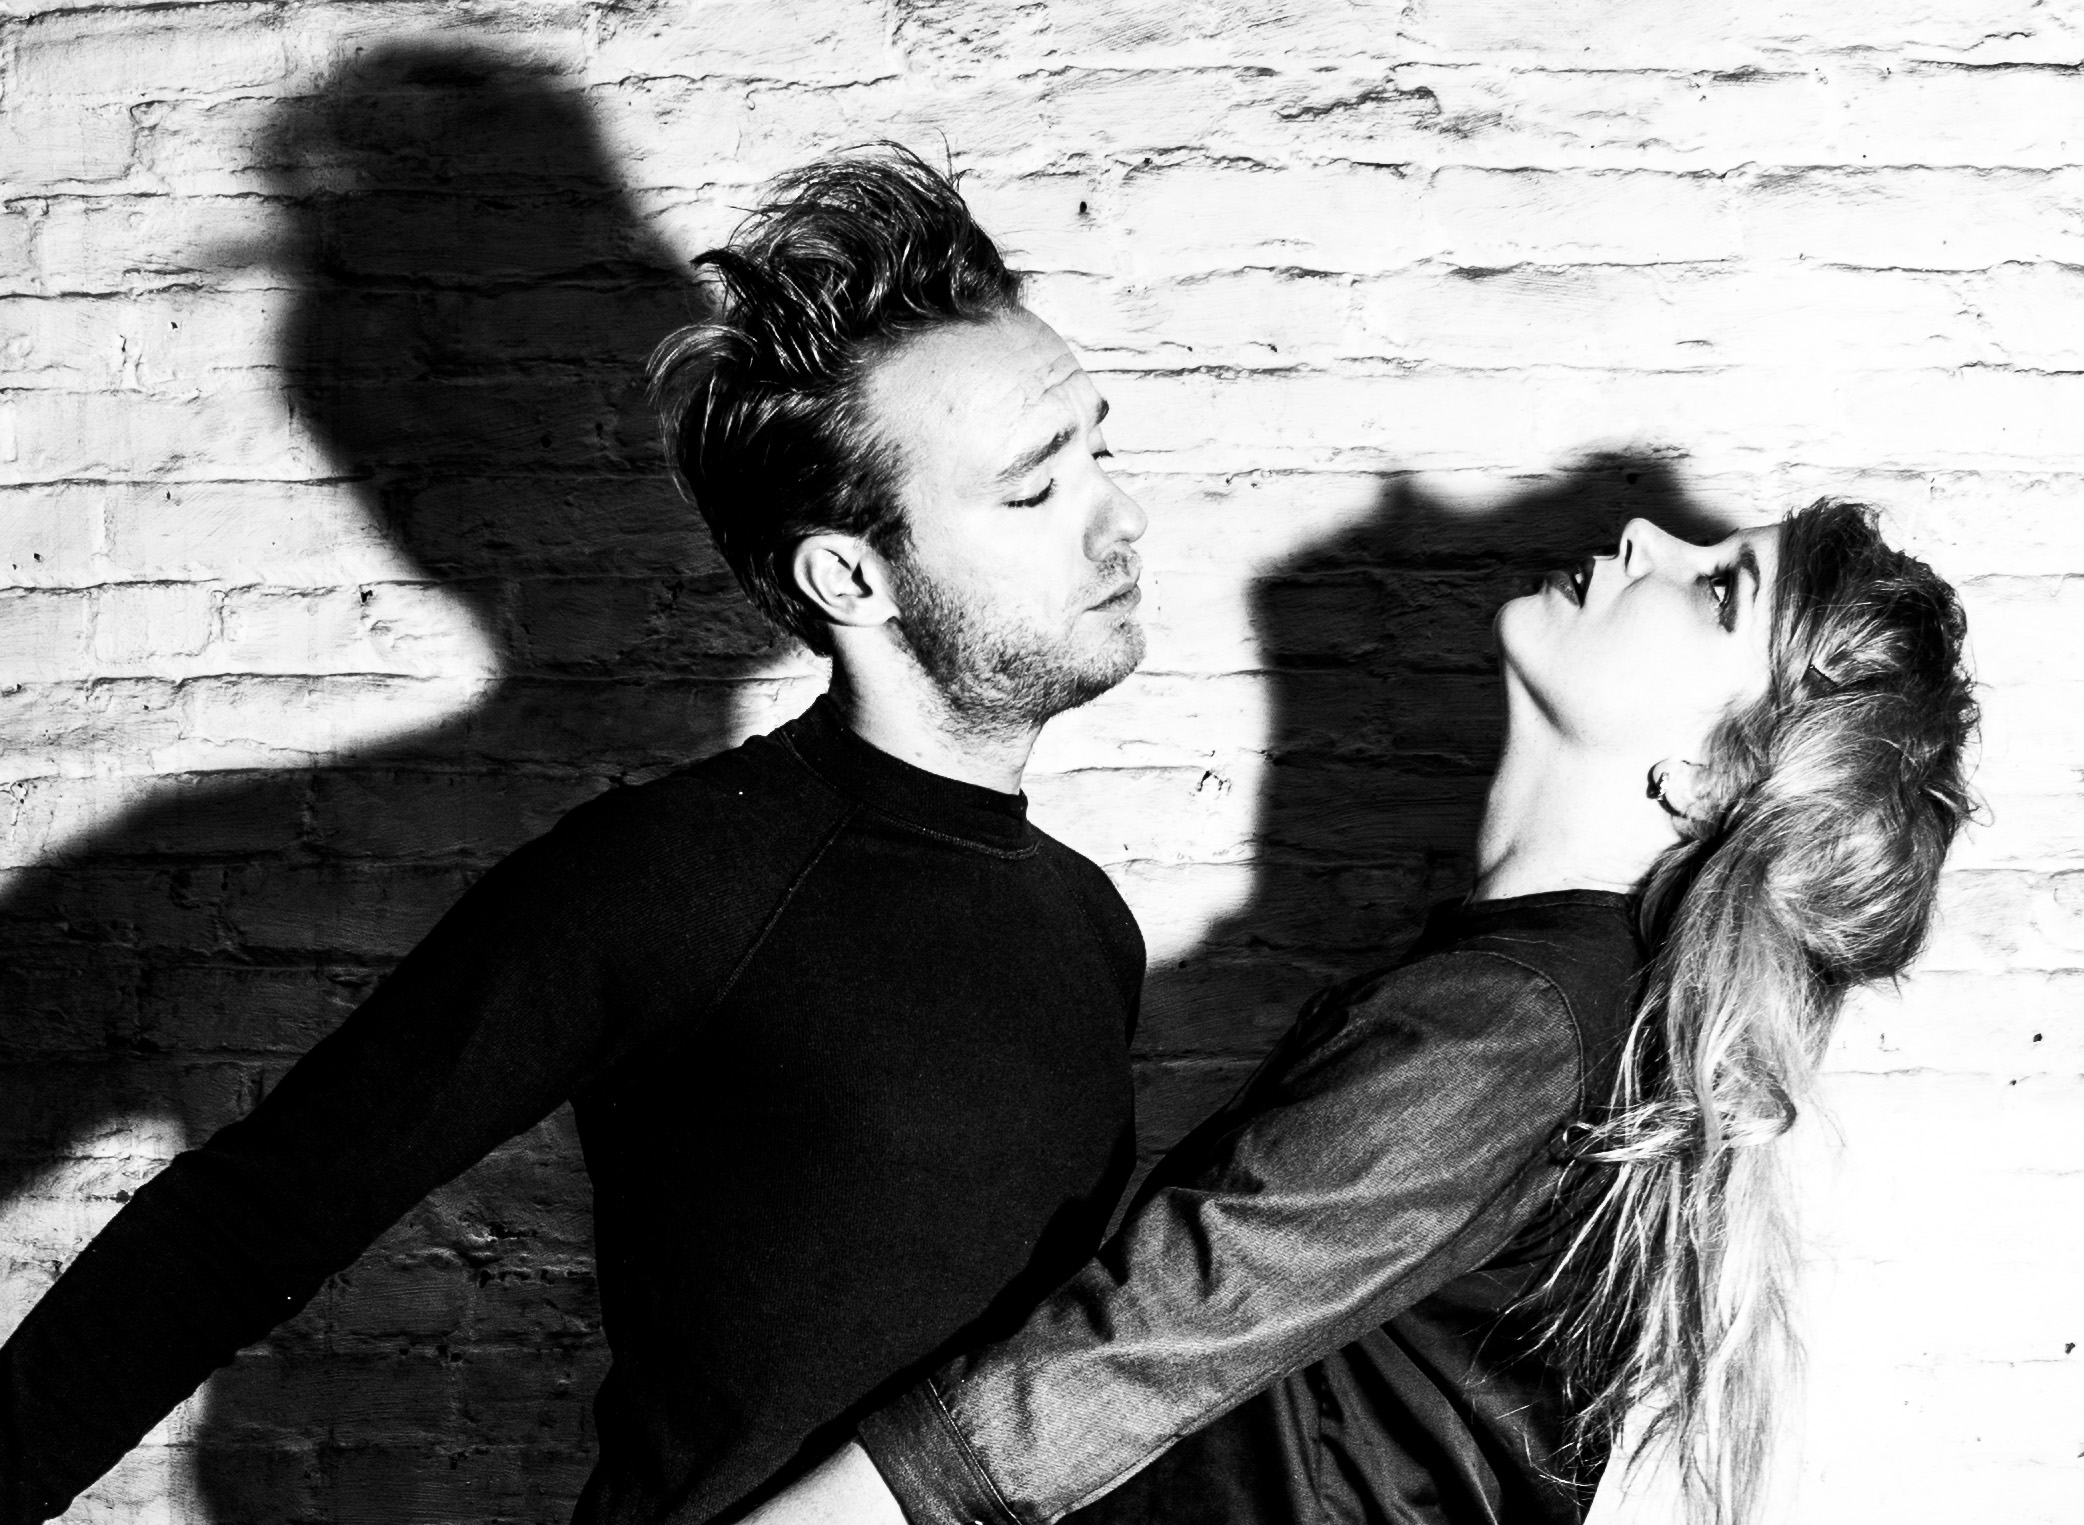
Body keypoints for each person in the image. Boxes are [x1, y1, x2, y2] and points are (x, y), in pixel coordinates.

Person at [0, 146, 1152, 1525]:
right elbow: (253, 1218)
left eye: (1098, 449)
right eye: (1033, 490)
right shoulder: (678, 877)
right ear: (850, 574)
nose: (1119, 519)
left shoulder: (1086, 918)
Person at [746, 500, 1979, 1525]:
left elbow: (1136, 1341)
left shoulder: (1517, 1020)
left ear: (1705, 775)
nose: (1644, 534)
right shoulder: (1551, 994)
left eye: (1715, 590)